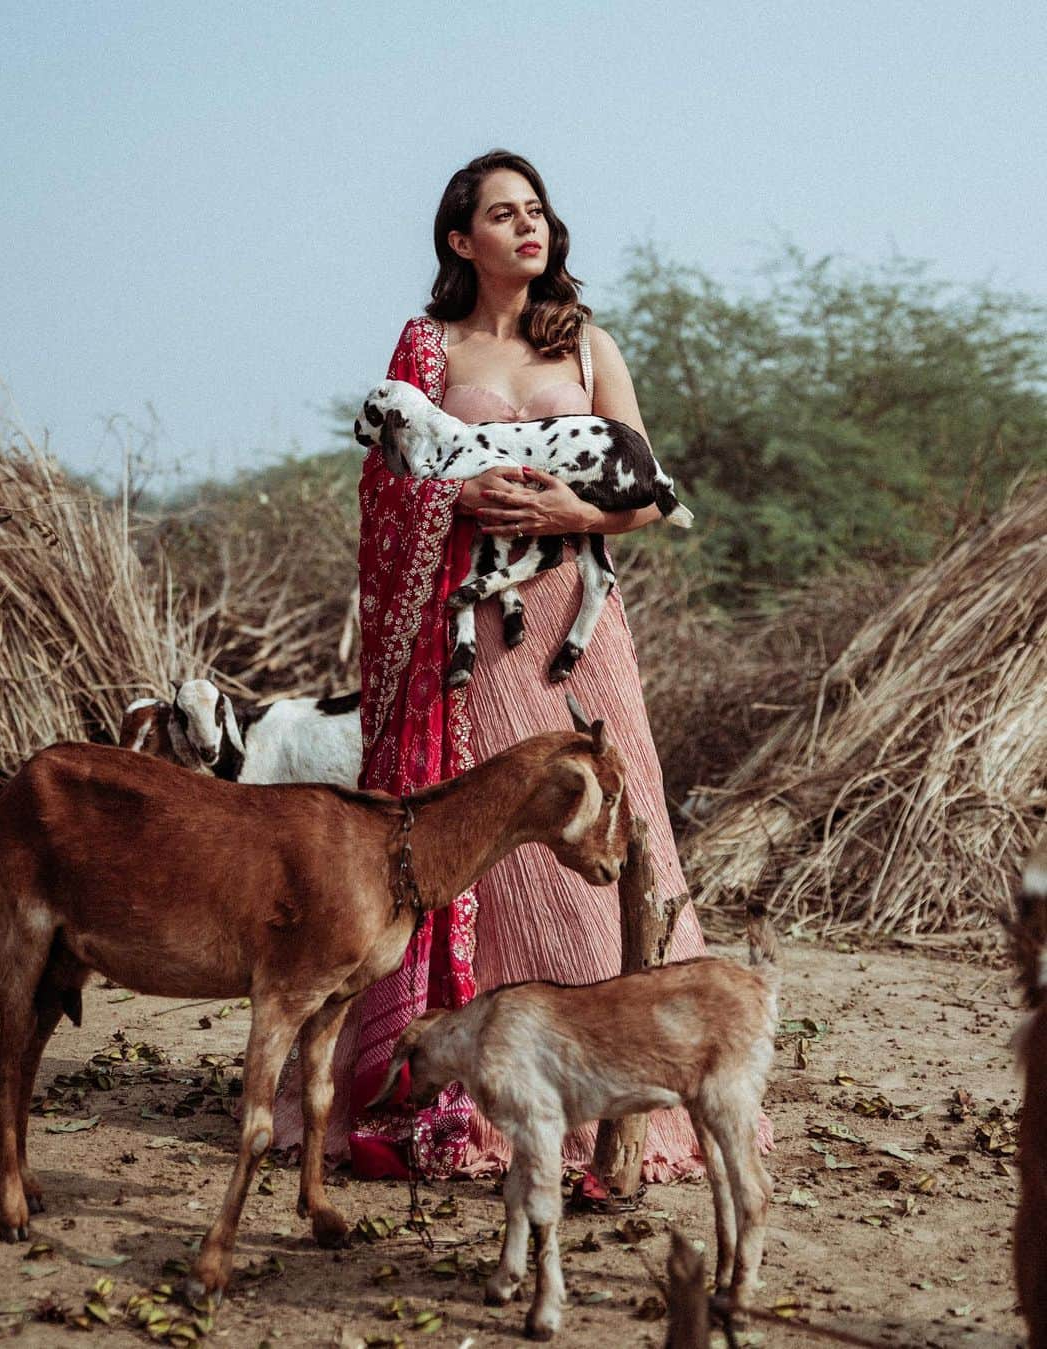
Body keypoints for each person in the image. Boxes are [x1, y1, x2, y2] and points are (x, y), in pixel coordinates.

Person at [272, 149, 770, 1181]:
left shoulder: (586, 344)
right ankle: (473, 1088)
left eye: (537, 210)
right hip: (473, 634)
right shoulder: (429, 348)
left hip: (578, 627)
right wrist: (449, 498)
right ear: (462, 239)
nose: (528, 227)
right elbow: (385, 486)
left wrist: (569, 509)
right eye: (503, 214)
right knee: (484, 849)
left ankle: (628, 1097)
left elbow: (652, 493)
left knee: (610, 836)